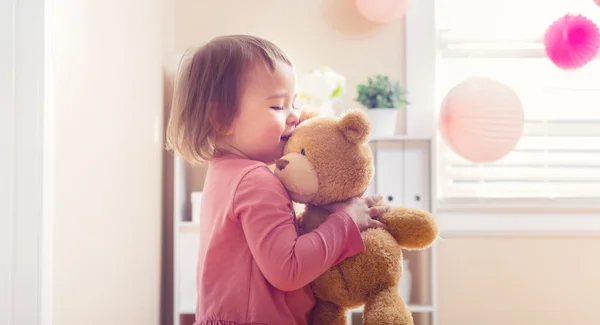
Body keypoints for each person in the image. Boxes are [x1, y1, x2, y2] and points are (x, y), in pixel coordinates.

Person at [166, 34, 389, 325]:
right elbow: (289, 268)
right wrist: (345, 221)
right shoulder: (256, 181)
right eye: (277, 106)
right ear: (222, 118)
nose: (295, 116)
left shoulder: (223, 171)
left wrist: (326, 215)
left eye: (294, 103)